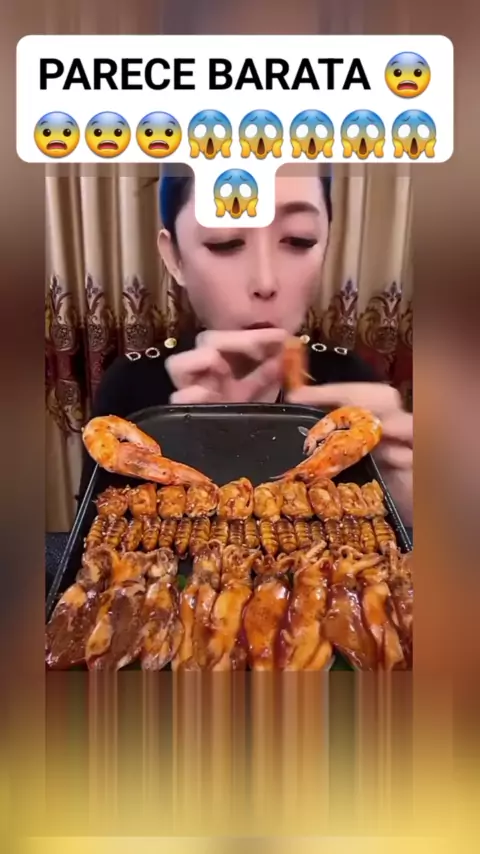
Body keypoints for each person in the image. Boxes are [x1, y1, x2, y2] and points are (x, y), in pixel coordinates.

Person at [78, 168, 413, 524]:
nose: (265, 282)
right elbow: (92, 533)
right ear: (175, 258)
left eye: (299, 240)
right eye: (224, 242)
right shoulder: (130, 388)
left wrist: (408, 506)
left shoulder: (352, 382)